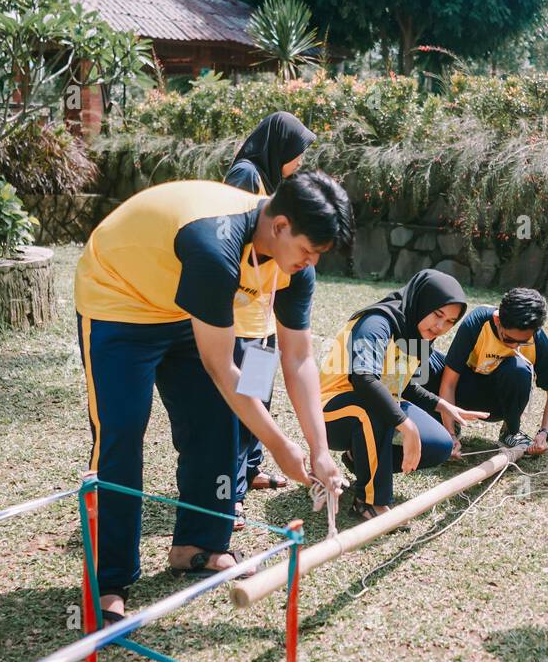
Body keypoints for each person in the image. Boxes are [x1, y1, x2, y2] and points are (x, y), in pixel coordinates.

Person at [75, 171, 350, 620]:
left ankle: (197, 546)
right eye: (307, 251)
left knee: (218, 422)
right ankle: (109, 578)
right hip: (119, 301)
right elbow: (223, 369)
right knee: (122, 433)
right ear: (280, 226)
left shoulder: (292, 268)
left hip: (181, 306)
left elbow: (298, 358)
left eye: (319, 255)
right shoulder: (215, 245)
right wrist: (281, 447)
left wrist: (319, 451)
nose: (311, 263)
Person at [318, 270, 486, 520]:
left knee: (440, 445)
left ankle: (359, 458)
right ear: (422, 302)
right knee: (374, 407)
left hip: (374, 410)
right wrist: (407, 426)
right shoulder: (377, 322)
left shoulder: (418, 333)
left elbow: (402, 384)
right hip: (330, 412)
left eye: (450, 322)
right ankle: (369, 501)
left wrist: (442, 405)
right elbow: (364, 379)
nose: (440, 327)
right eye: (438, 314)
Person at [223, 113, 318, 527]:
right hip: (235, 319)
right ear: (279, 147)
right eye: (296, 153)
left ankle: (252, 468)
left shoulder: (275, 186)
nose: (299, 161)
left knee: (259, 397)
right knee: (237, 407)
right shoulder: (245, 176)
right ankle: (231, 494)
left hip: (261, 319)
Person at [427, 287, 548, 456]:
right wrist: (450, 435)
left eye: (522, 342)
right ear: (497, 319)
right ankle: (445, 421)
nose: (514, 346)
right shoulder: (477, 322)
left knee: (518, 369)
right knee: (423, 359)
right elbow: (448, 383)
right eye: (508, 339)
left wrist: (544, 433)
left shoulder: (538, 339)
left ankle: (510, 432)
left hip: (498, 404)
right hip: (464, 393)